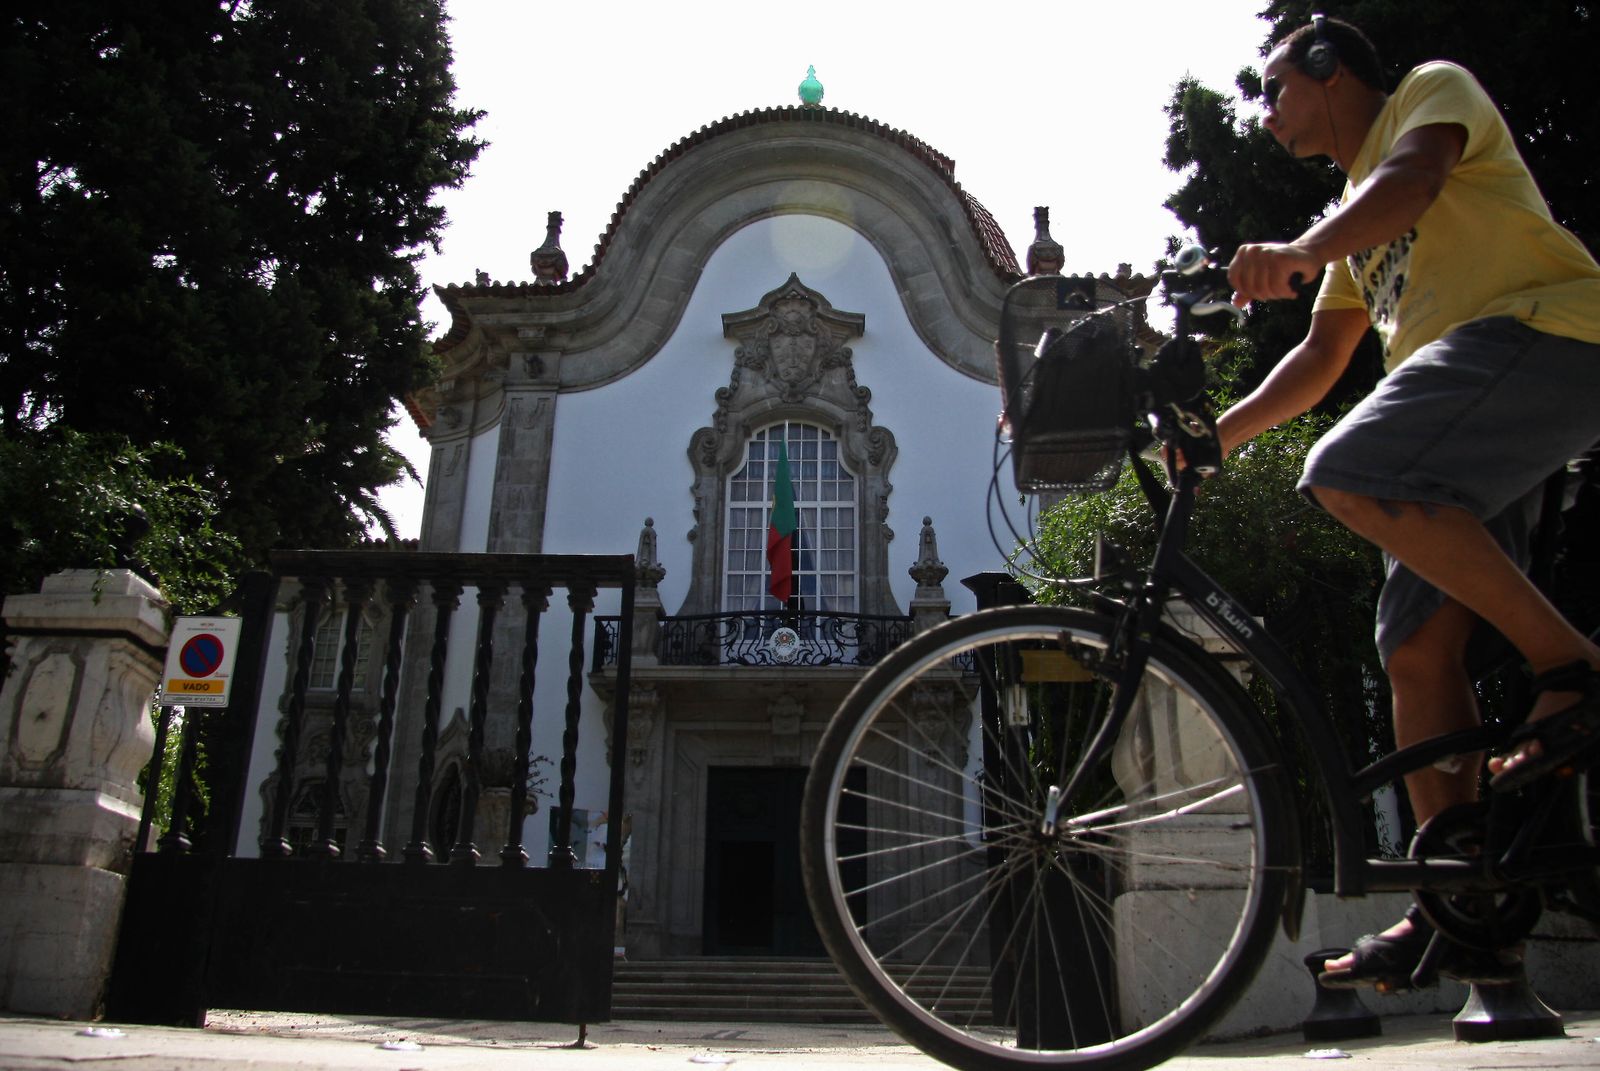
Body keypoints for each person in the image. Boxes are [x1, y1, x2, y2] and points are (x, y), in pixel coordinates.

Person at [1220, 15, 1600, 990]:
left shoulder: (1428, 95)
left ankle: (1574, 670)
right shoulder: (1354, 216)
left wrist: (1299, 247)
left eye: (1273, 91)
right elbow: (1318, 360)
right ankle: (1462, 918)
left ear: (1325, 69)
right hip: (1463, 415)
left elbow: (1416, 184)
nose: (1263, 117)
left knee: (1348, 471)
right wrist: (1209, 441)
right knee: (1416, 655)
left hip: (1540, 338)